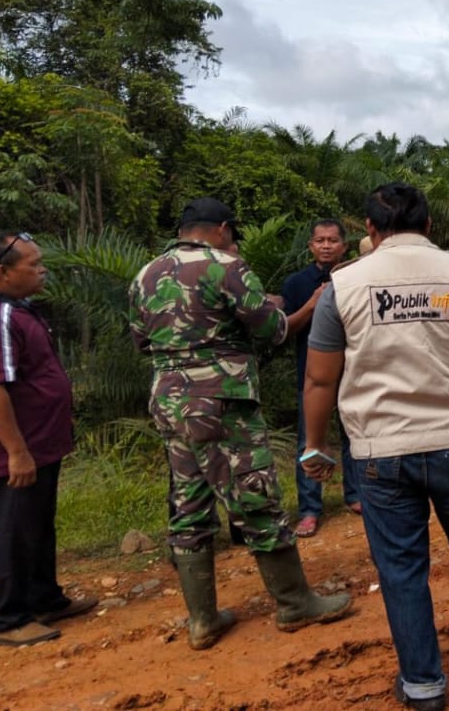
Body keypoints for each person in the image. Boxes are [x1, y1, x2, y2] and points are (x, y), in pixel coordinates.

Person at [301, 182, 449, 710]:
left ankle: (424, 686)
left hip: (378, 452)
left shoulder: (343, 287)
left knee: (401, 570)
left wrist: (315, 447)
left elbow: (320, 381)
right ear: (429, 225)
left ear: (369, 230)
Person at [129, 198, 351, 651]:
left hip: (169, 399)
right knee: (255, 494)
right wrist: (287, 306)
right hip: (221, 399)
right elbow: (273, 330)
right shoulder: (227, 266)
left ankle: (203, 619)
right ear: (223, 229)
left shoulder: (146, 274)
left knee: (188, 500)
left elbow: (141, 339)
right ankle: (294, 603)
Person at [0, 233, 96, 647]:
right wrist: (16, 451)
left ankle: (44, 598)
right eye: (33, 264)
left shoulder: (19, 309)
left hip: (41, 444)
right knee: (12, 528)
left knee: (36, 524)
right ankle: (10, 619)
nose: (42, 269)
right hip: (15, 448)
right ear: (4, 272)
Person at [282, 219, 360, 537]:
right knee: (308, 440)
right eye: (320, 240)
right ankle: (310, 509)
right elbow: (287, 329)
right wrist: (313, 304)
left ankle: (355, 496)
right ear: (311, 246)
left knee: (353, 435)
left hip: (353, 372)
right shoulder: (296, 283)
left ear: (344, 246)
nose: (326, 245)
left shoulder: (355, 278)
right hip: (311, 375)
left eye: (332, 240)